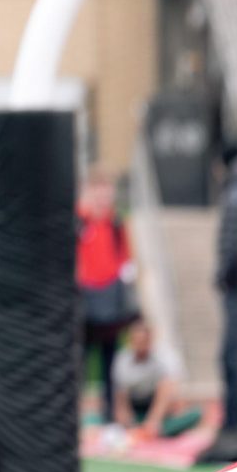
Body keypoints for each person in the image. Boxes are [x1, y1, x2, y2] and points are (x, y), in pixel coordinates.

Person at [77, 166, 138, 424]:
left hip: (110, 301)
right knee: (78, 361)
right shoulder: (79, 221)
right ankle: (74, 415)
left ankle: (110, 416)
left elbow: (125, 257)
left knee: (110, 362)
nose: (103, 198)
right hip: (85, 300)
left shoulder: (115, 223)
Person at [197, 143, 237, 464]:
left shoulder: (234, 192)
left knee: (232, 359)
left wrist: (222, 277)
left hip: (235, 288)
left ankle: (232, 427)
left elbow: (232, 244)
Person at [111, 318, 201, 439]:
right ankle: (152, 430)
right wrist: (125, 420)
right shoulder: (123, 359)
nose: (139, 345)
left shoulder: (165, 356)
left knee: (195, 414)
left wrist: (154, 420)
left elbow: (171, 389)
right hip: (137, 406)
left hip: (159, 407)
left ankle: (154, 428)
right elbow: (121, 397)